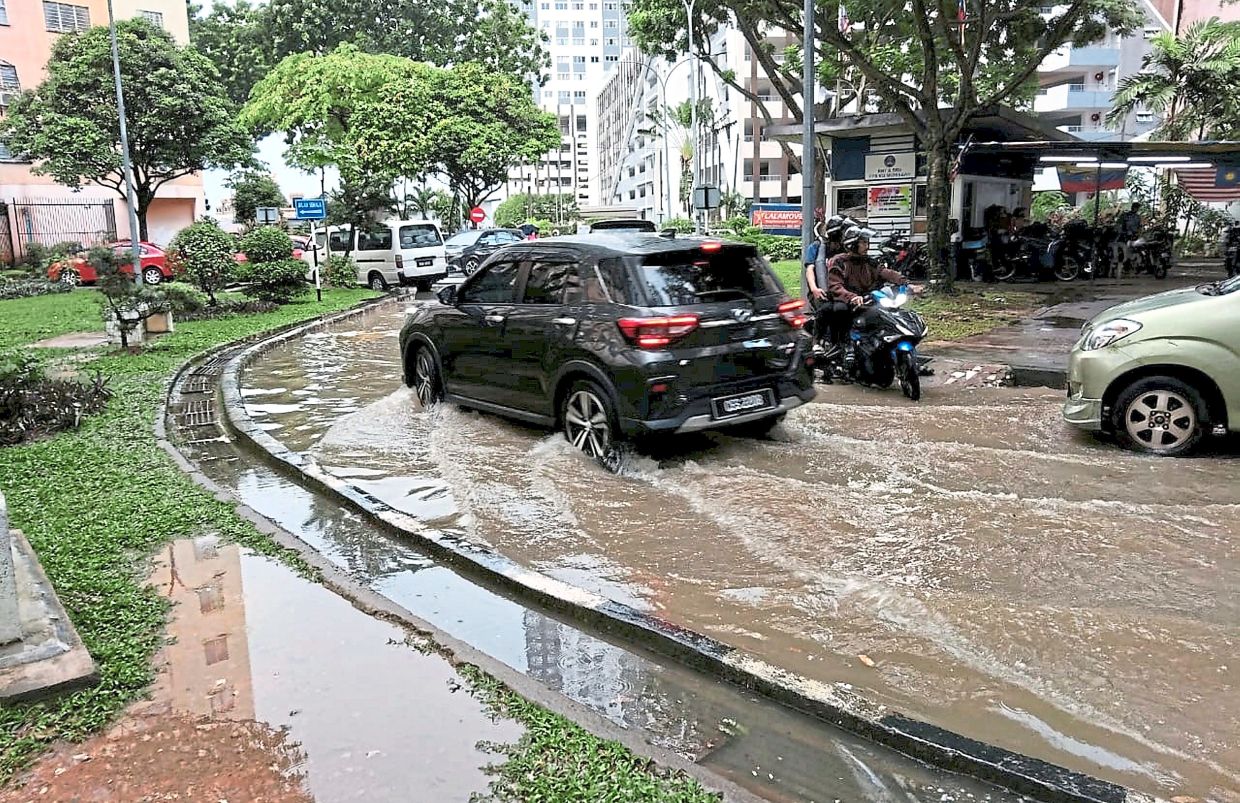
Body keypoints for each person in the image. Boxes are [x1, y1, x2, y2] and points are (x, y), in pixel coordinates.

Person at [825, 226, 912, 372]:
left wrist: (906, 283)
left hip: (868, 299)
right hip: (847, 301)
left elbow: (885, 272)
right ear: (853, 244)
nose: (867, 246)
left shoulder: (869, 261)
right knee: (840, 310)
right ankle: (846, 345)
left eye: (867, 242)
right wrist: (852, 297)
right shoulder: (839, 261)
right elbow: (835, 285)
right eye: (863, 243)